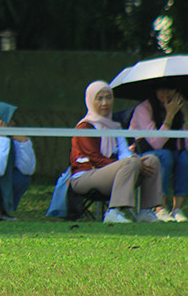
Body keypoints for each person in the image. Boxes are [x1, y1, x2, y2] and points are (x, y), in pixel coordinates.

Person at [69, 81, 165, 224]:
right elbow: (95, 159)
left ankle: (146, 211)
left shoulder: (115, 126)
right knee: (131, 163)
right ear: (90, 100)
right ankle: (114, 212)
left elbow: (124, 153)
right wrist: (130, 163)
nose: (105, 103)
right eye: (99, 98)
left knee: (151, 160)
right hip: (85, 176)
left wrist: (137, 162)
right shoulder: (85, 126)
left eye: (108, 98)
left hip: (113, 173)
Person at [128, 88, 188, 222]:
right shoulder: (143, 109)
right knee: (165, 156)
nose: (166, 94)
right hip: (144, 153)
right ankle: (159, 207)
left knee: (184, 157)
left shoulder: (177, 110)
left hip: (168, 151)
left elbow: (186, 146)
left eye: (170, 90)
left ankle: (177, 209)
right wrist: (169, 117)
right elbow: (155, 143)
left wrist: (185, 116)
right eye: (161, 90)